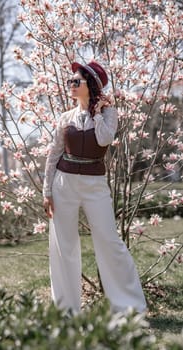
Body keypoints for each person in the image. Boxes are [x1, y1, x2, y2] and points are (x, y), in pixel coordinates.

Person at [43, 60, 147, 314]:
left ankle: (129, 306)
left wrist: (98, 113)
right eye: (70, 81)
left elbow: (104, 139)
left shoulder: (108, 113)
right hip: (63, 183)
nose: (71, 85)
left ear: (90, 85)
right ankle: (66, 310)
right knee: (63, 245)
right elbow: (54, 154)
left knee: (109, 240)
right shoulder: (65, 117)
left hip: (94, 184)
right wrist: (47, 190)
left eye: (76, 81)